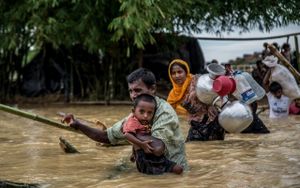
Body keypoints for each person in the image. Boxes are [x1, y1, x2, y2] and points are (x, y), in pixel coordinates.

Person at [62, 68, 188, 171]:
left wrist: (131, 131)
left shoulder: (165, 112)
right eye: (131, 91)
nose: (133, 95)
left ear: (153, 89)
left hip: (171, 174)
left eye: (138, 90)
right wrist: (78, 124)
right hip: (151, 171)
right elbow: (107, 137)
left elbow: (157, 148)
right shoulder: (134, 116)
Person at [123, 93, 183, 175]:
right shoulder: (132, 121)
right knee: (156, 178)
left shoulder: (146, 123)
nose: (145, 116)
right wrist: (141, 145)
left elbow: (136, 139)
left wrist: (133, 153)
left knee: (179, 169)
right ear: (133, 111)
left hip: (157, 156)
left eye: (149, 113)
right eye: (142, 111)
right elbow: (127, 135)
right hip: (144, 158)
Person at [167, 59, 225, 141]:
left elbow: (215, 94)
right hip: (196, 125)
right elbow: (167, 113)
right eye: (173, 73)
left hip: (213, 123)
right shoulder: (173, 95)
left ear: (186, 72)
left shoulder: (198, 82)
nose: (176, 76)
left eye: (180, 72)